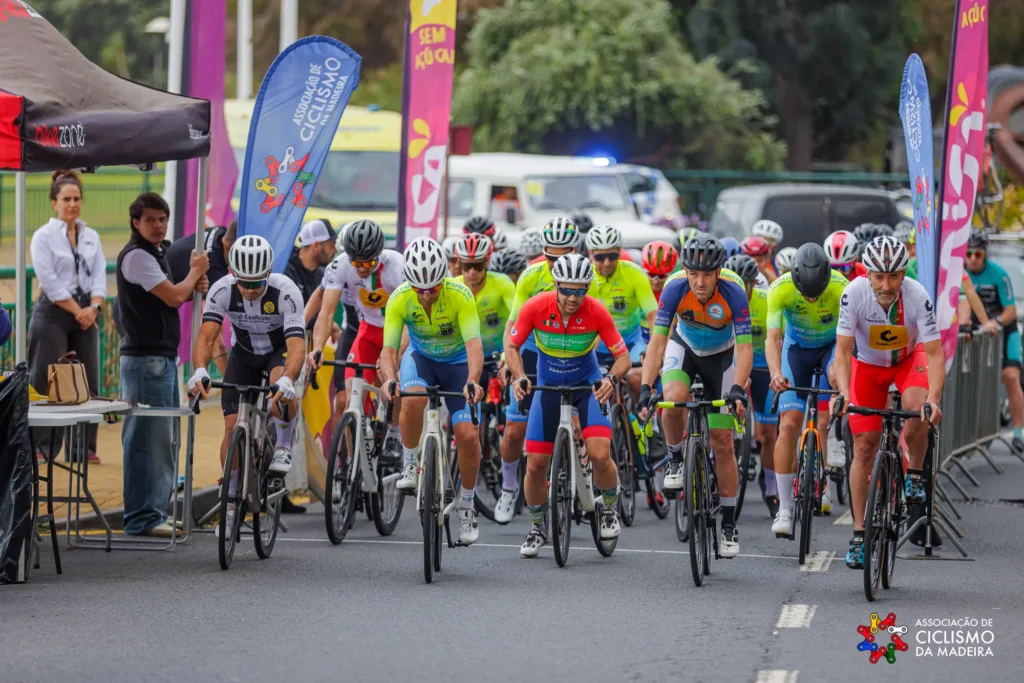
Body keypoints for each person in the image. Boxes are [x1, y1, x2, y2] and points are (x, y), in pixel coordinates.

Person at [830, 236, 943, 569]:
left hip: (909, 360)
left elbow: (935, 354)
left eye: (894, 276)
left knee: (916, 408)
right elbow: (841, 351)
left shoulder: (917, 296)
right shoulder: (854, 294)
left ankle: (915, 473)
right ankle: (859, 534)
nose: (886, 284)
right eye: (879, 276)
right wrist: (845, 395)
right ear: (868, 273)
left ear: (903, 273)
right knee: (864, 447)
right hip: (867, 366)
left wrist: (934, 399)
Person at [507, 253, 629, 555]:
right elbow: (512, 345)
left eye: (580, 291)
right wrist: (520, 375)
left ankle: (610, 507)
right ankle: (537, 526)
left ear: (587, 289)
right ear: (556, 285)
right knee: (535, 465)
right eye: (566, 290)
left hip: (586, 386)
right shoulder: (535, 307)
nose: (573, 298)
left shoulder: (597, 311)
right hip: (547, 387)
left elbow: (623, 356)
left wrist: (611, 380)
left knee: (600, 455)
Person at [639, 233, 751, 558]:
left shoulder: (734, 292)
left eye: (706, 275)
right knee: (671, 398)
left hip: (722, 356)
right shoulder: (675, 288)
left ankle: (728, 524)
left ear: (718, 273)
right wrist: (646, 387)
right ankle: (675, 459)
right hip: (685, 346)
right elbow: (658, 343)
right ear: (685, 271)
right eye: (693, 274)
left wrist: (738, 389)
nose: (699, 282)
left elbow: (745, 348)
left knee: (722, 440)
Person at [188, 236, 306, 532]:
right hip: (244, 354)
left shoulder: (286, 291)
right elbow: (206, 336)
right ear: (232, 272)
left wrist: (289, 380)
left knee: (280, 394)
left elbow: (296, 346)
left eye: (256, 283)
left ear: (268, 273)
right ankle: (230, 503)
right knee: (230, 428)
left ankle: (281, 445)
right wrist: (200, 369)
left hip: (277, 352)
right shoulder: (222, 289)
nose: (250, 290)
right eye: (244, 283)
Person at [379, 237, 485, 545]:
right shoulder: (399, 298)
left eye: (433, 288)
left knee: (467, 435)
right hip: (421, 359)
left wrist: (474, 380)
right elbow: (389, 350)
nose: (426, 295)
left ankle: (466, 504)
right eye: (419, 289)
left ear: (443, 280)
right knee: (412, 400)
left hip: (458, 365)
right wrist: (388, 378)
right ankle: (411, 463)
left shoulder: (461, 295)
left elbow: (474, 345)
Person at [117, 192, 209, 536]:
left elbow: (176, 293)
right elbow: (173, 295)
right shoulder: (137, 256)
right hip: (145, 361)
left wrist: (190, 284)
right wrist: (194, 274)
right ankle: (142, 517)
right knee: (147, 439)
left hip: (160, 358)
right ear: (136, 223)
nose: (158, 226)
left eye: (162, 218)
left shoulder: (155, 253)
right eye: (150, 220)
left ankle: (153, 511)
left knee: (164, 438)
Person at [498, 217, 581, 524]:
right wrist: (509, 361)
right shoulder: (531, 276)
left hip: (574, 351)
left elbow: (600, 323)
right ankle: (509, 487)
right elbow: (512, 325)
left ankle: (583, 474)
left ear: (575, 250)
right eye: (551, 257)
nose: (557, 263)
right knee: (515, 430)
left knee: (581, 420)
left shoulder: (587, 275)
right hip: (534, 351)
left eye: (563, 257)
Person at [766, 244, 848, 535]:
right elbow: (773, 337)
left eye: (817, 292)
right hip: (795, 352)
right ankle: (785, 509)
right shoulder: (780, 288)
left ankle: (837, 435)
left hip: (830, 349)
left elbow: (851, 340)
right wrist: (775, 373)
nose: (812, 298)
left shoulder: (841, 287)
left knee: (838, 378)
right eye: (806, 294)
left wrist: (844, 386)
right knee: (788, 426)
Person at [29, 170, 106, 462]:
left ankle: (83, 449)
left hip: (87, 309)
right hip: (54, 310)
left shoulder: (91, 236)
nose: (72, 204)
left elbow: (99, 275)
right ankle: (41, 447)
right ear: (54, 202)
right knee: (46, 377)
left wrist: (94, 308)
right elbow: (48, 279)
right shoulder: (43, 237)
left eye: (76, 199)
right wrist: (78, 311)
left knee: (87, 380)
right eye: (66, 199)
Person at [306, 220, 404, 438]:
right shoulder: (341, 265)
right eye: (356, 262)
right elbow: (326, 313)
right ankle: (351, 465)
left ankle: (395, 437)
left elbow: (411, 318)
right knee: (349, 400)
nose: (361, 268)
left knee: (392, 388)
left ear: (379, 254)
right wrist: (318, 348)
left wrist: (394, 355)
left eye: (368, 264)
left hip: (396, 334)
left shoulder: (397, 266)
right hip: (367, 332)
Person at [724, 254, 780, 516]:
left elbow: (777, 338)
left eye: (745, 284)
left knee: (768, 434)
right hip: (731, 365)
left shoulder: (765, 300)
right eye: (735, 284)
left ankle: (771, 488)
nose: (741, 290)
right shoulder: (720, 302)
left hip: (761, 367)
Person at [964, 229, 1024, 452]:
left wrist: (995, 323)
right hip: (976, 335)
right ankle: (971, 435)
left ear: (985, 254)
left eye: (977, 254)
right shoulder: (961, 274)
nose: (972, 259)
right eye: (968, 254)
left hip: (1004, 332)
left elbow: (1010, 310)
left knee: (1010, 376)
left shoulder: (999, 274)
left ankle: (1018, 433)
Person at [585, 225, 658, 398]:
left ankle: (644, 420)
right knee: (599, 390)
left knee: (637, 377)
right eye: (600, 257)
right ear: (590, 253)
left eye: (612, 255)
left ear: (620, 251)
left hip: (630, 341)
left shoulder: (634, 273)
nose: (607, 262)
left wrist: (653, 348)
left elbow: (653, 315)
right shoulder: (584, 276)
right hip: (598, 344)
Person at [166, 220, 235, 376]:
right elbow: (215, 339)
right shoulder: (213, 267)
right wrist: (234, 387)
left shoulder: (221, 232)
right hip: (144, 316)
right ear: (233, 248)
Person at [285, 219, 337, 302]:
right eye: (332, 245)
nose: (335, 251)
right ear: (316, 245)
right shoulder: (285, 271)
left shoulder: (321, 276)